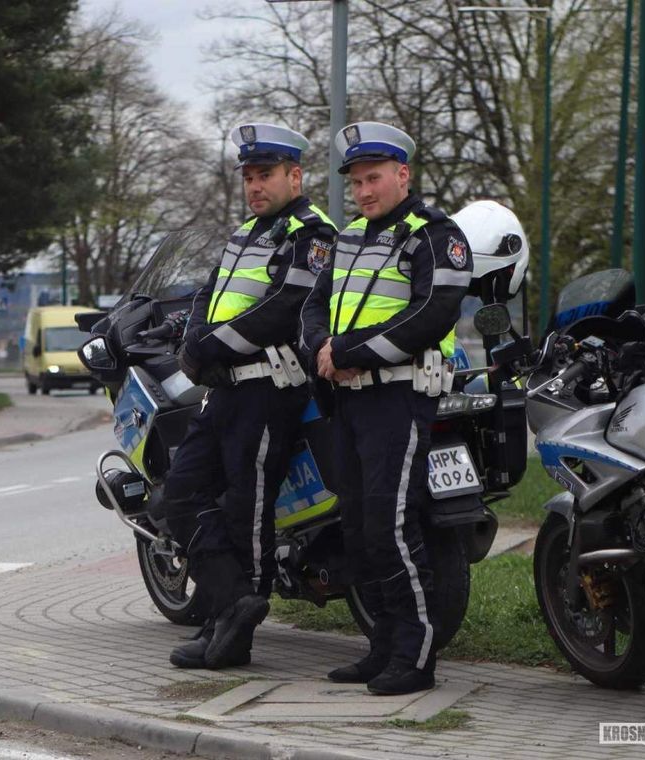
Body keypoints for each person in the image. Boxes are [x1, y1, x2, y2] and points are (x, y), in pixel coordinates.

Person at [299, 121, 473, 695]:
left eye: (374, 178)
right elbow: (314, 305)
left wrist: (348, 351)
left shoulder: (435, 235)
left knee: (393, 527)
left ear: (403, 175)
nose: (364, 191)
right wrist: (323, 348)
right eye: (356, 182)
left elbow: (432, 313)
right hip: (347, 400)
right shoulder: (348, 236)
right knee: (359, 532)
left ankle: (416, 658)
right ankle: (382, 648)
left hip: (398, 400)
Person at [165, 123, 338, 669]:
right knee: (181, 497)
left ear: (295, 175)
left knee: (248, 512)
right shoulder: (246, 233)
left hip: (270, 390)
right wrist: (193, 344)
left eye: (266, 175)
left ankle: (231, 635)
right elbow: (206, 293)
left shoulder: (311, 233)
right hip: (223, 392)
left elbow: (286, 306)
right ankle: (231, 603)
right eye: (249, 177)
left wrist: (211, 345)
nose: (255, 186)